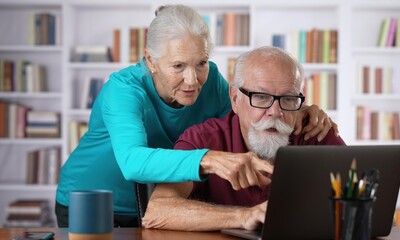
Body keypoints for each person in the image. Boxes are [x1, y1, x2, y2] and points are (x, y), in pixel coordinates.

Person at [55, 5, 338, 227]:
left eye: (201, 63)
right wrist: (210, 159)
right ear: (151, 61)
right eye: (178, 65)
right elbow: (132, 162)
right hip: (92, 201)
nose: (192, 81)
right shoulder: (123, 90)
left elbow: (252, 113)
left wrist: (300, 111)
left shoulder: (212, 81)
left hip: (154, 201)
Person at [142, 46, 346, 231]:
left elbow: (367, 202)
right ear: (234, 99)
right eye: (261, 97)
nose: (275, 112)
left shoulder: (316, 134)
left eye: (288, 98)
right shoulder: (202, 140)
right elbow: (157, 211)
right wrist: (243, 216)